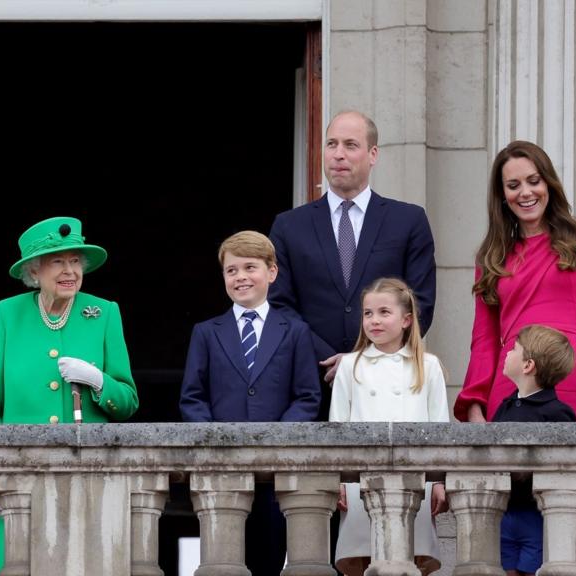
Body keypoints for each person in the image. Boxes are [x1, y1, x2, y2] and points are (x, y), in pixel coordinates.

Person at [454, 140, 576, 576]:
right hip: (507, 392)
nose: (525, 192)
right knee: (513, 523)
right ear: (502, 196)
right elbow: (483, 340)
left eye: (533, 181)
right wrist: (476, 405)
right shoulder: (491, 257)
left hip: (571, 386)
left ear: (548, 183)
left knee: (571, 513)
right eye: (513, 185)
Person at [0, 216, 139, 576]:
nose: (70, 271)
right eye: (58, 262)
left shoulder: (104, 313)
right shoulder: (5, 315)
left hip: (88, 482)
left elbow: (127, 402)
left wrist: (99, 382)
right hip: (21, 481)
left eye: (75, 261)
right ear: (34, 271)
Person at [269, 110, 436, 417]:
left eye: (350, 145)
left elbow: (420, 301)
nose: (338, 155)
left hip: (386, 388)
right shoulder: (289, 226)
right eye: (331, 144)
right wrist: (329, 358)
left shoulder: (408, 220)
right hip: (310, 385)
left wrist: (365, 360)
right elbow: (279, 305)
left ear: (373, 154)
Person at [180, 230, 321, 575]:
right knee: (223, 561)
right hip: (223, 471)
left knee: (270, 556)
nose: (241, 277)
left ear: (271, 272)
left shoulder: (295, 330)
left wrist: (275, 440)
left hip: (276, 474)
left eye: (250, 267)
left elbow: (307, 396)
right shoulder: (206, 332)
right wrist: (215, 441)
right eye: (231, 270)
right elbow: (192, 397)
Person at [330, 278, 448, 576]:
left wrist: (440, 481)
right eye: (368, 313)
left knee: (410, 559)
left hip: (415, 480)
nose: (374, 320)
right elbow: (337, 427)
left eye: (384, 312)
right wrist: (339, 479)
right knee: (362, 559)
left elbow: (441, 428)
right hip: (361, 483)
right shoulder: (351, 364)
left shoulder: (428, 365)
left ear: (406, 319)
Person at [493, 324, 576, 576]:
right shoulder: (505, 406)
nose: (507, 353)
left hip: (537, 515)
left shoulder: (557, 413)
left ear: (528, 365)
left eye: (514, 349)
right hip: (504, 512)